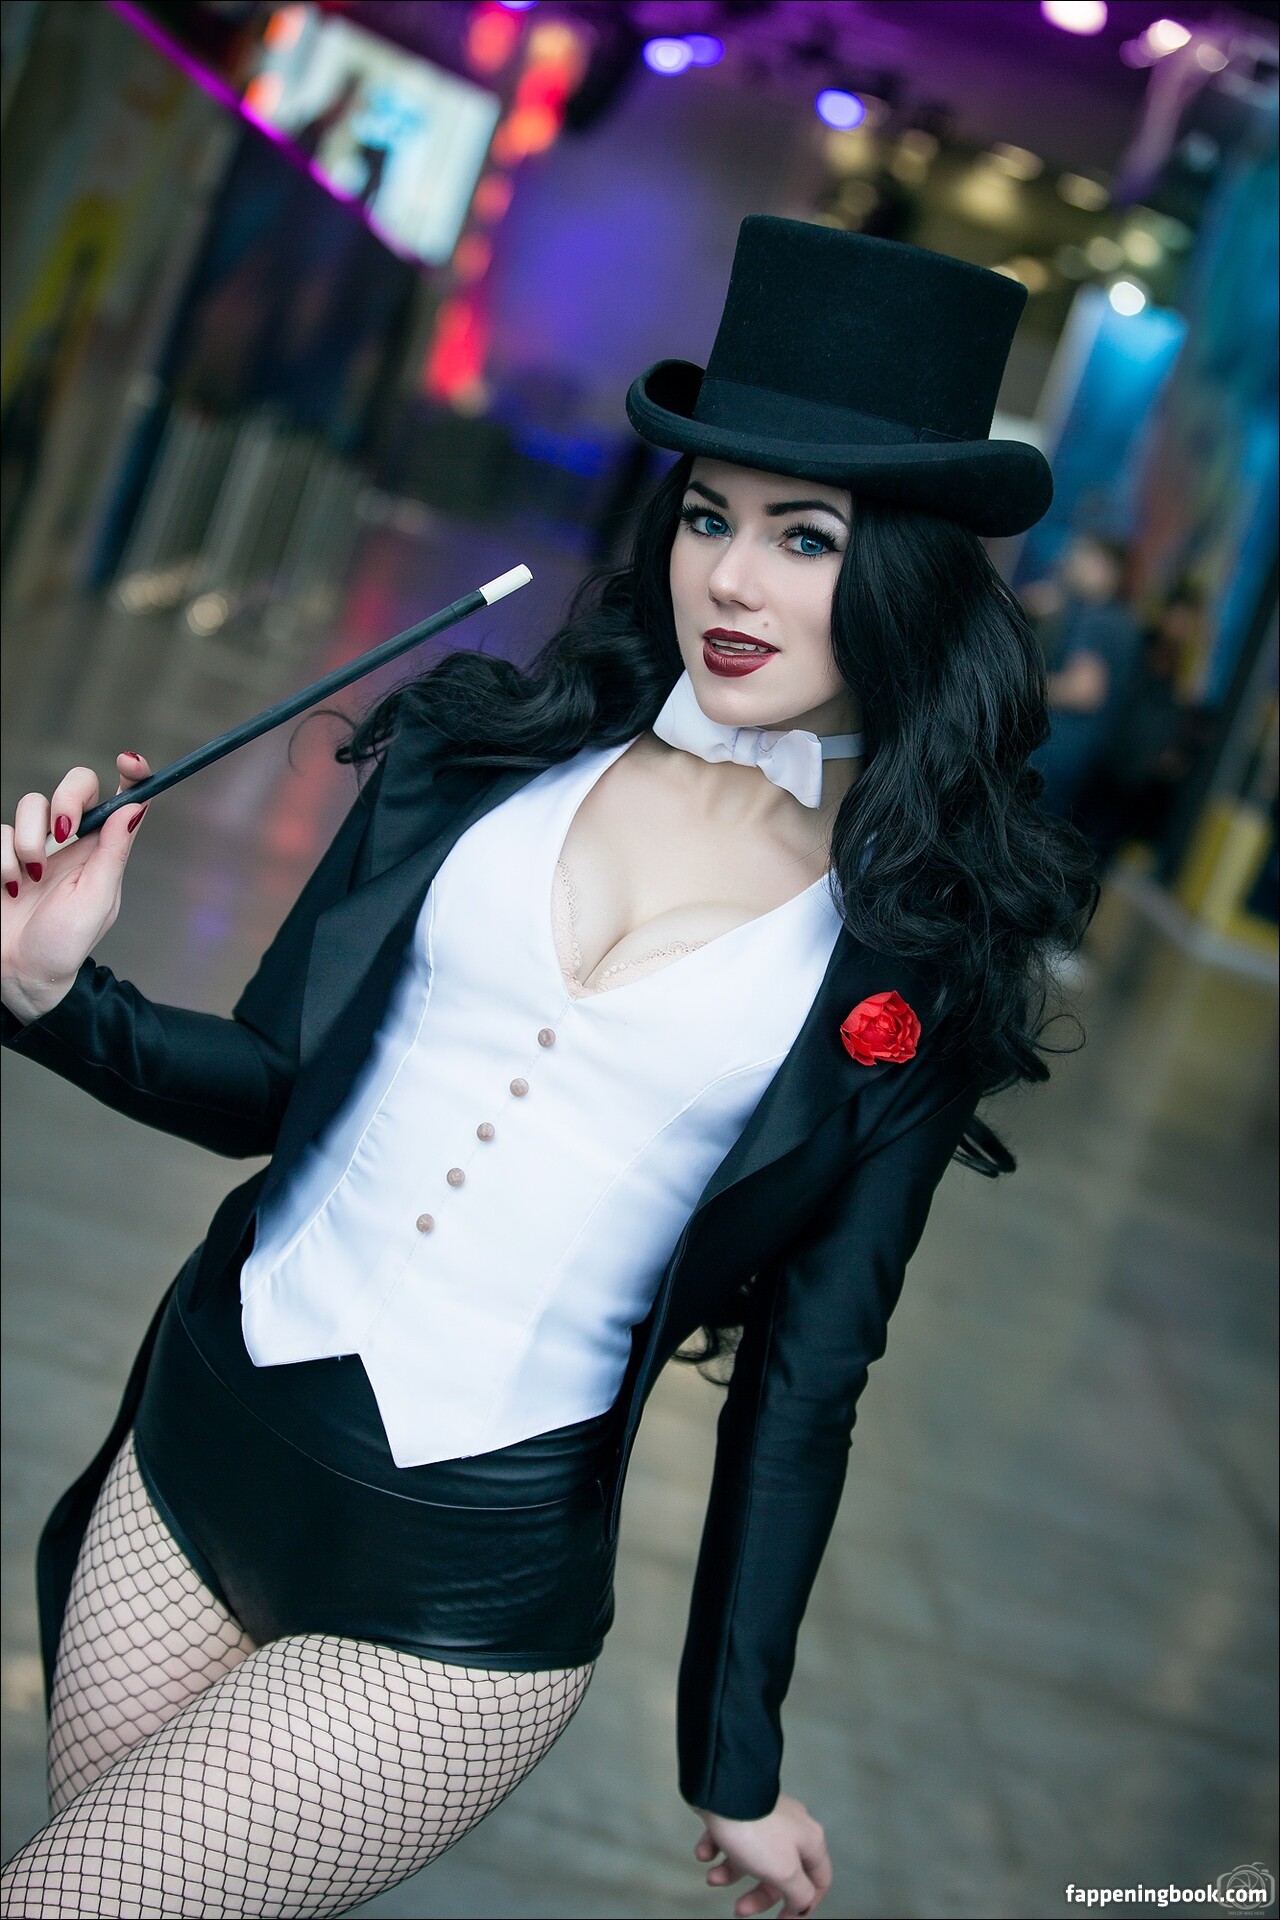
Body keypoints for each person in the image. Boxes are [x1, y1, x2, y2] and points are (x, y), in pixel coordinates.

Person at [0, 218, 1096, 1919]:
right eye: (710, 516)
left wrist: (736, 1755)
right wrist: (51, 991)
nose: (731, 581)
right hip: (193, 1449)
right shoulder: (475, 759)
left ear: (908, 578)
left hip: (462, 1592)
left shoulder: (912, 966)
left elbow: (810, 1377)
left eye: (804, 538)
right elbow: (273, 1084)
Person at [1026, 531, 1144, 822]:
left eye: (1083, 555)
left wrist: (1019, 686)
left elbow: (1083, 690)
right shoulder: (1121, 621)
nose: (1072, 562)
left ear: (1107, 568)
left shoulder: (1096, 618)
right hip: (1081, 754)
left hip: (1055, 750)